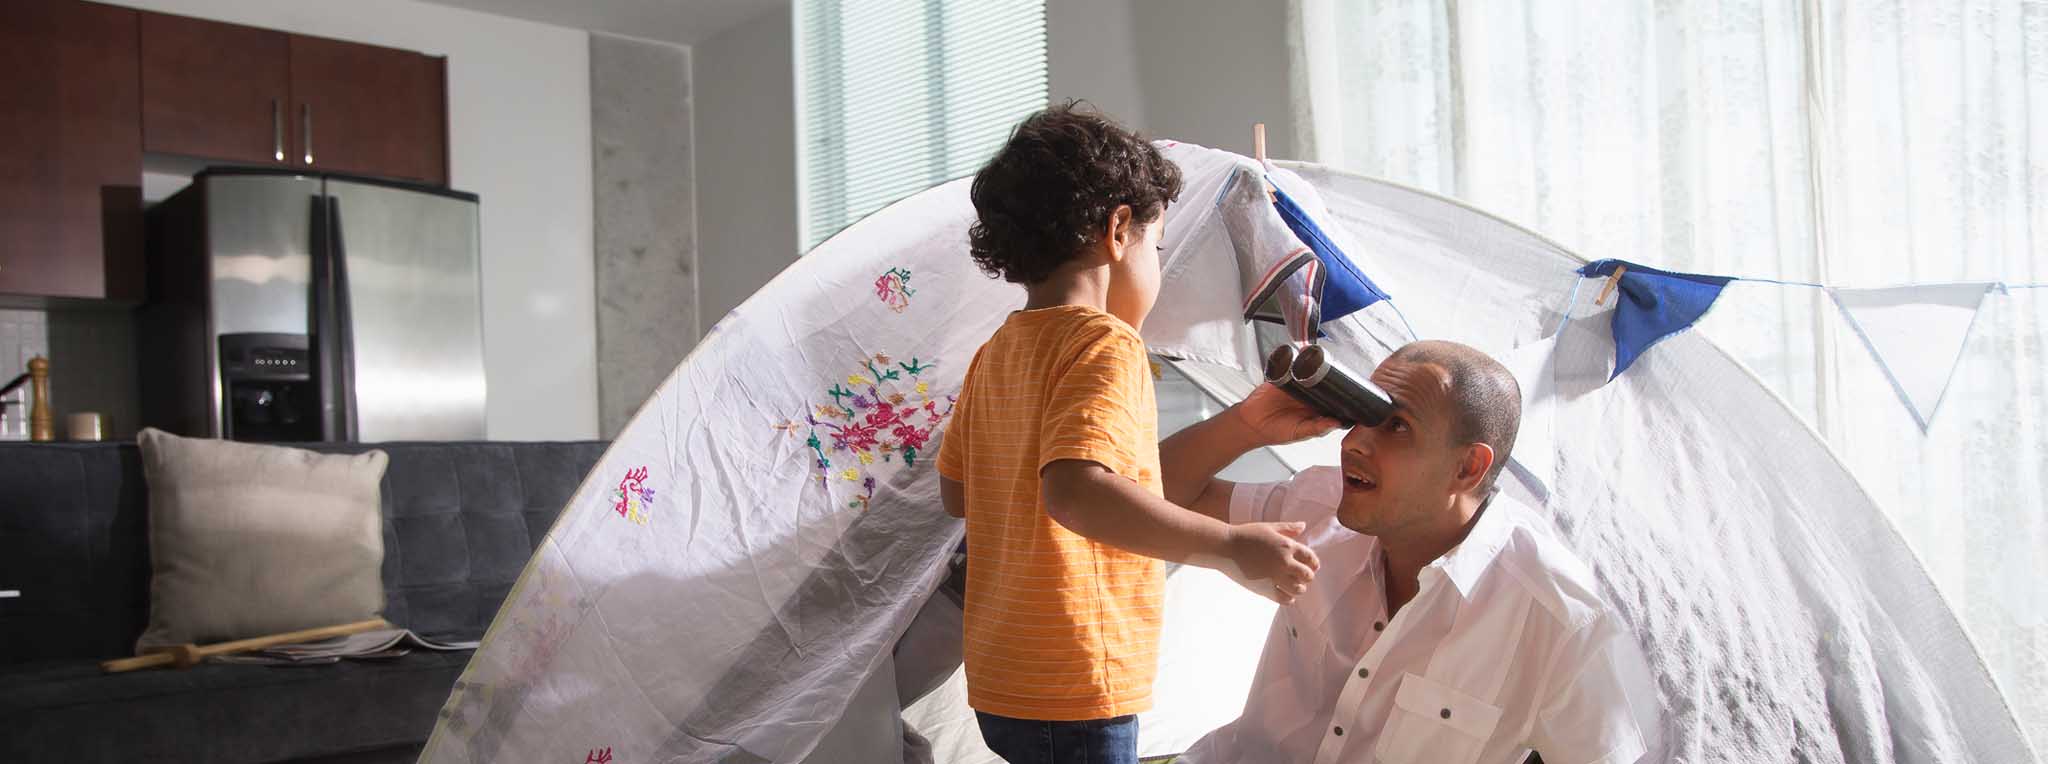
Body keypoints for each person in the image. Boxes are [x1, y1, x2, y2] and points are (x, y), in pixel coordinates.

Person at [934, 102, 1333, 764]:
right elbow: (1075, 492)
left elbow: (957, 493)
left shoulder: (998, 349)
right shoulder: (1106, 344)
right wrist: (1231, 545)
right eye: (1160, 245)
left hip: (1003, 675)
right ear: (1120, 228)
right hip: (1076, 677)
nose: (1158, 265)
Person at [1174, 340, 1656, 764]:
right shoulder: (1317, 505)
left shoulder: (1558, 618)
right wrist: (1246, 424)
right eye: (1361, 415)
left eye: (1396, 426)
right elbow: (1145, 498)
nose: (1354, 442)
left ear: (1468, 466)